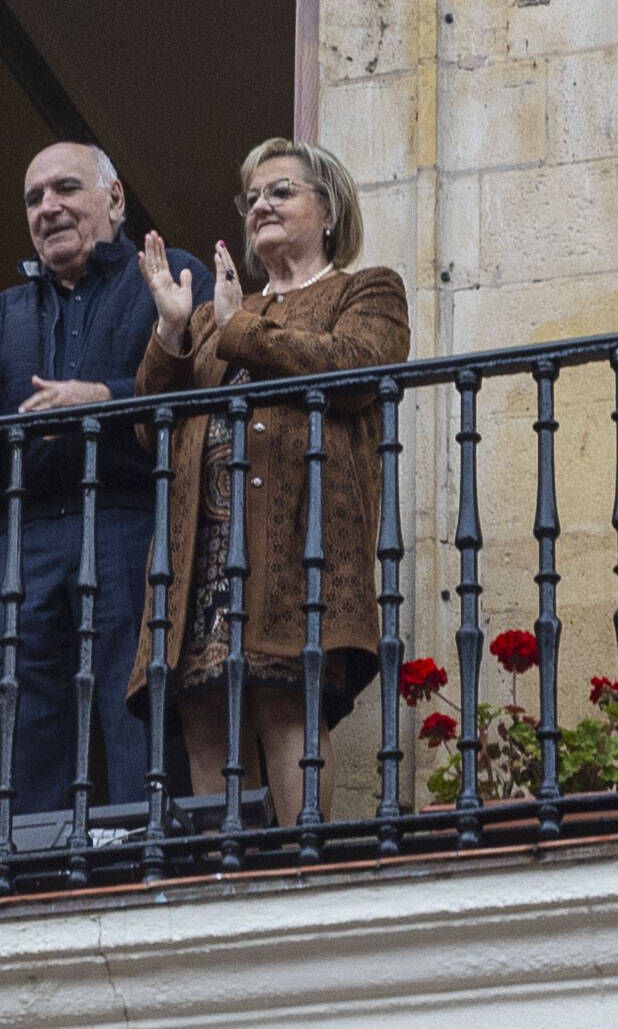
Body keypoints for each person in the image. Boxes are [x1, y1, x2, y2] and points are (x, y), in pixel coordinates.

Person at [132, 137, 410, 825]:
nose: (260, 205)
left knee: (286, 698)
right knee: (202, 708)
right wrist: (172, 331)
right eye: (252, 197)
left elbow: (356, 368)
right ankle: (224, 877)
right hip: (203, 541)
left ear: (329, 209)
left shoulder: (364, 289)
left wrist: (240, 328)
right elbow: (151, 425)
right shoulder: (211, 315)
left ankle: (299, 866)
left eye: (280, 191)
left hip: (296, 534)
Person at [0, 142, 209, 814]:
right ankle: (33, 869)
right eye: (34, 198)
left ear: (114, 199)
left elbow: (207, 391)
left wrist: (105, 398)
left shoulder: (172, 276)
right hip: (22, 534)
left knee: (138, 714)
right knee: (21, 714)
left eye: (66, 188)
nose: (48, 207)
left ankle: (144, 855)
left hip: (130, 521)